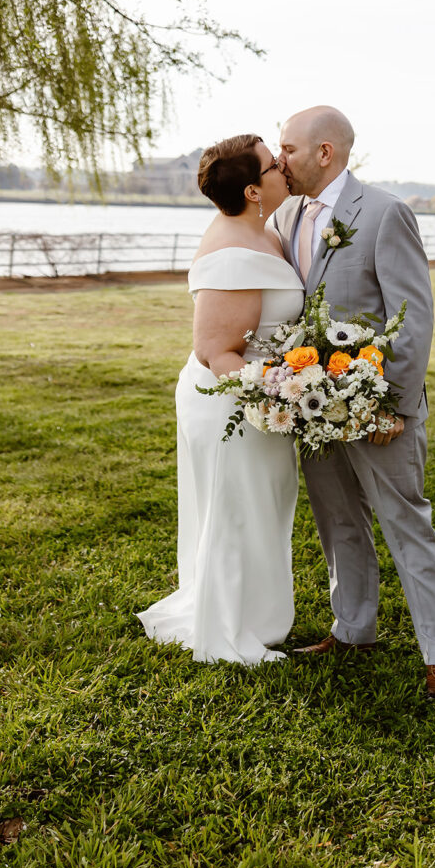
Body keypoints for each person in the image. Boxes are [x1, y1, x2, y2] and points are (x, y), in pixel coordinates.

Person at [270, 106, 435, 698]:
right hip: (313, 406)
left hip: (377, 405)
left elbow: (412, 318)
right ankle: (353, 628)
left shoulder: (383, 214)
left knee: (407, 525)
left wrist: (395, 406)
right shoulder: (282, 216)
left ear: (325, 152)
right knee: (337, 522)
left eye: (290, 150)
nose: (281, 161)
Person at [136, 134, 304, 664]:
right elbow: (214, 350)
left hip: (255, 393)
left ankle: (257, 612)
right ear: (254, 191)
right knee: (237, 506)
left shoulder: (261, 230)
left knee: (263, 503)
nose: (283, 167)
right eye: (273, 165)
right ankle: (231, 623)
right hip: (232, 399)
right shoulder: (232, 249)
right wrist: (281, 391)